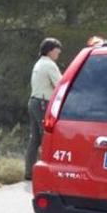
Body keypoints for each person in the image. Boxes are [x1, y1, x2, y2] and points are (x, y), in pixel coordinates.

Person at [25, 37, 62, 180]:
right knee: (47, 137)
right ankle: (45, 172)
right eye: (57, 52)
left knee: (34, 138)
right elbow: (60, 84)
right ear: (51, 51)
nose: (58, 55)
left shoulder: (39, 63)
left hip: (33, 101)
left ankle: (29, 172)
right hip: (43, 103)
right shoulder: (49, 65)